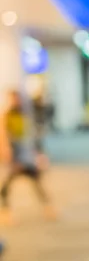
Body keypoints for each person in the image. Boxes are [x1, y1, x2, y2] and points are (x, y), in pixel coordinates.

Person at [0, 90, 55, 224]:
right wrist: (7, 152)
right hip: (16, 156)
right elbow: (5, 136)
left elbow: (32, 137)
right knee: (7, 186)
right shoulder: (7, 116)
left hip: (26, 156)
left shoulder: (25, 115)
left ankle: (48, 208)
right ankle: (6, 212)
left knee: (35, 182)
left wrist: (40, 154)